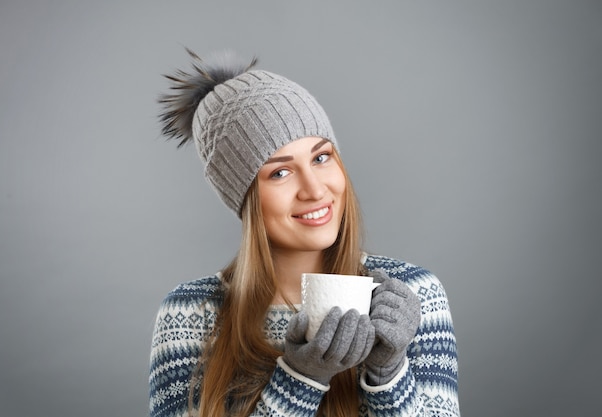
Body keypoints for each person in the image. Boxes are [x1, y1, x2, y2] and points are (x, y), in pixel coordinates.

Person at [149, 49, 459, 417]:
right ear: (245, 197)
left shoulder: (410, 295)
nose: (314, 189)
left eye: (321, 157)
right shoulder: (191, 313)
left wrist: (387, 373)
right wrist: (301, 378)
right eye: (279, 173)